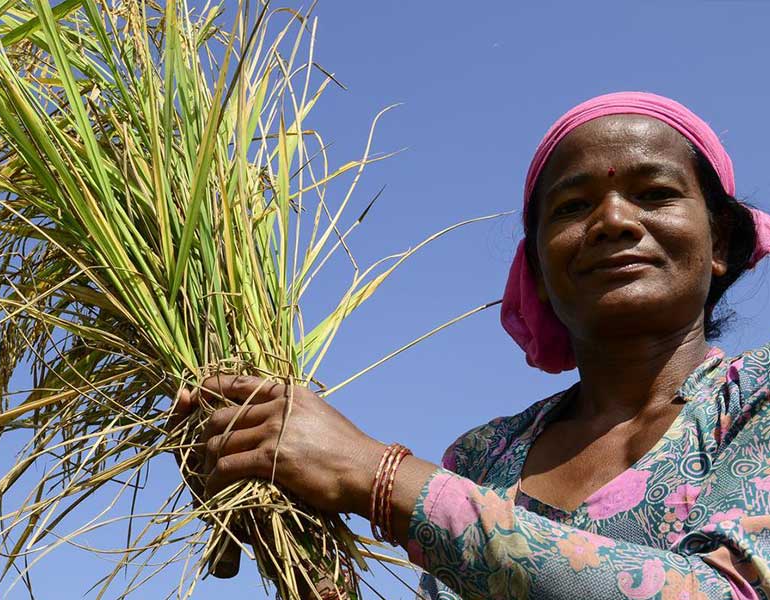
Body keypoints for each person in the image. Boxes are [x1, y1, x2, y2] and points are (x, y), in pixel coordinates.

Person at [174, 92, 770, 599]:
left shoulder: (754, 399)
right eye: (572, 206)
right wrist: (299, 535)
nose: (613, 219)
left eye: (655, 193)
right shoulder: (485, 457)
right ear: (535, 269)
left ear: (720, 243)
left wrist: (376, 476)